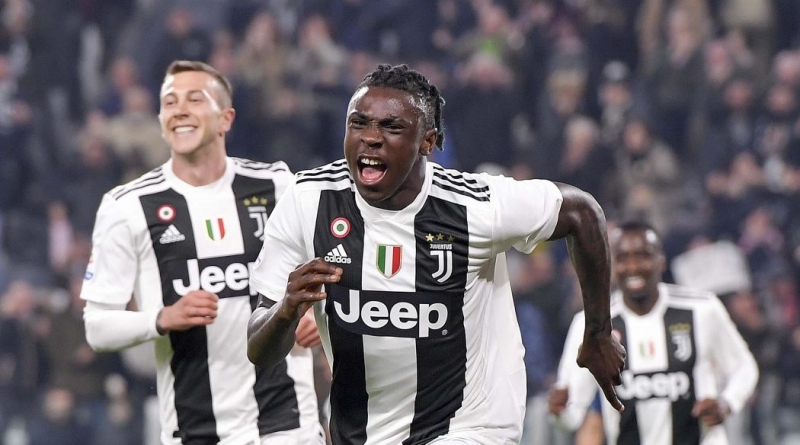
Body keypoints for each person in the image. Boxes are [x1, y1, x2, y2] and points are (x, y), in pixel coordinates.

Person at [246, 63, 626, 444]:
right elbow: (259, 350)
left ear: (427, 142)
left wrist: (598, 333)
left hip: (470, 426)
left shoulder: (473, 206)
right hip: (363, 433)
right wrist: (286, 311)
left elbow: (582, 212)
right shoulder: (309, 200)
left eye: (391, 127)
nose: (371, 138)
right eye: (358, 123)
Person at [80, 60, 325, 445]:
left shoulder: (277, 185)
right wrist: (162, 318)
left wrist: (315, 315)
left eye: (195, 99)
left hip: (288, 424)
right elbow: (97, 327)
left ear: (226, 118)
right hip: (196, 430)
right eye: (170, 102)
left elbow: (333, 265)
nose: (179, 109)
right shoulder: (127, 206)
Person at [550, 220, 759, 444]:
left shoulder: (702, 310)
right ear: (611, 264)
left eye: (643, 256)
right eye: (623, 258)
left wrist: (727, 403)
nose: (633, 267)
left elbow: (745, 367)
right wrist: (559, 411)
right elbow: (571, 413)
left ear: (661, 261)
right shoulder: (591, 324)